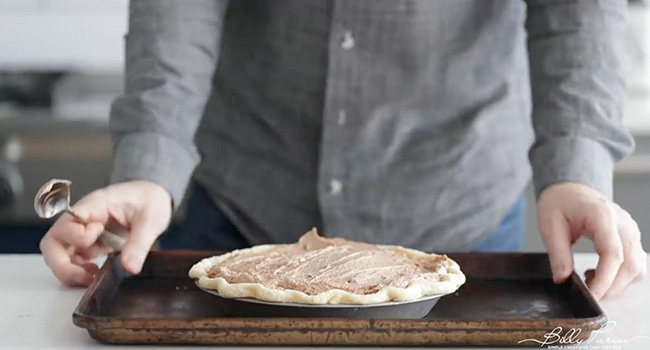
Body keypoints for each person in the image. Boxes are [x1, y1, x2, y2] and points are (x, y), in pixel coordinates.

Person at [40, 0, 647, 300]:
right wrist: (152, 163)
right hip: (244, 197)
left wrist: (577, 167)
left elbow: (577, 11)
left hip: (457, 200)